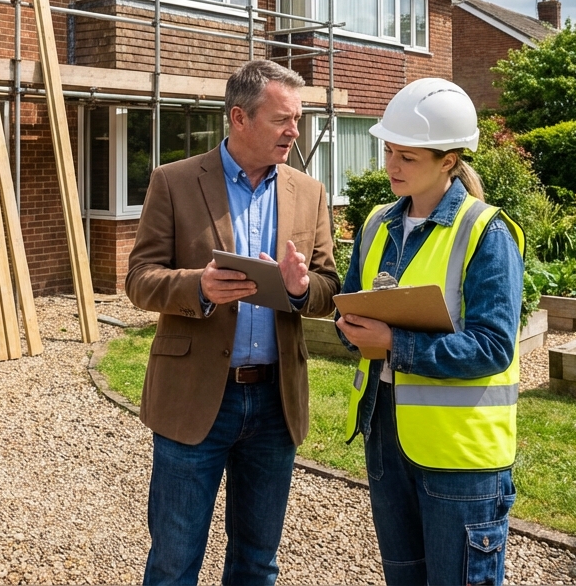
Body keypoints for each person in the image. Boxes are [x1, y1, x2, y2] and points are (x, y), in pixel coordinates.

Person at [126, 59, 340, 586]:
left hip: (274, 402)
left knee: (257, 562)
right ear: (239, 118)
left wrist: (297, 289)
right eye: (283, 119)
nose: (295, 131)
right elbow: (138, 279)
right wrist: (196, 286)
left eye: (298, 119)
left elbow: (329, 289)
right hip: (196, 396)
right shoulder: (173, 182)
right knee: (174, 561)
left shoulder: (308, 193)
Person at [336, 78, 524, 586]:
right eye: (389, 150)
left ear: (448, 161)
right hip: (386, 438)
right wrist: (350, 329)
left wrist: (394, 345)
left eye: (408, 157)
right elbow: (350, 311)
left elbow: (492, 346)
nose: (391, 166)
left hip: (460, 456)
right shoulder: (377, 224)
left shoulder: (487, 232)